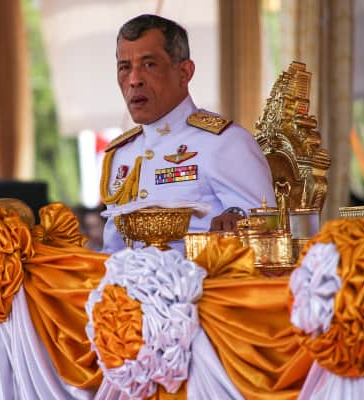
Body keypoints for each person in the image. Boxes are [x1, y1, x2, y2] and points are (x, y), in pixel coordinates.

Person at [100, 14, 276, 254]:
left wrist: (237, 222)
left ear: (184, 72)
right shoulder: (121, 154)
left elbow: (268, 234)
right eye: (125, 67)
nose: (134, 80)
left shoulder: (224, 142)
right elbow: (111, 251)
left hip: (202, 277)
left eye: (149, 65)